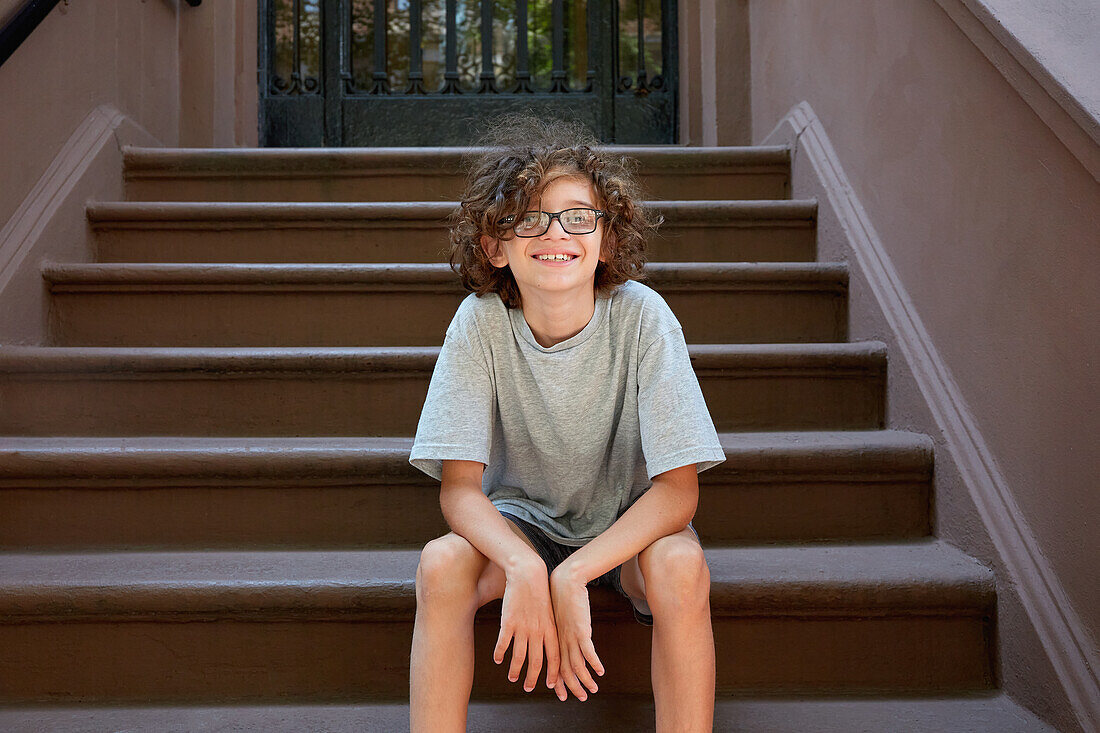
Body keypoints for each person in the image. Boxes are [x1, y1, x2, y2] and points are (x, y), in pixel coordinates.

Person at [408, 113, 726, 732]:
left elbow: (679, 493)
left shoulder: (643, 319)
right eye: (527, 217)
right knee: (441, 564)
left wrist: (574, 572)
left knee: (681, 566)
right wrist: (529, 568)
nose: (555, 232)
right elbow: (459, 490)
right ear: (493, 245)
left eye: (579, 216)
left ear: (606, 239)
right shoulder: (478, 323)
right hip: (522, 524)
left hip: (628, 527)